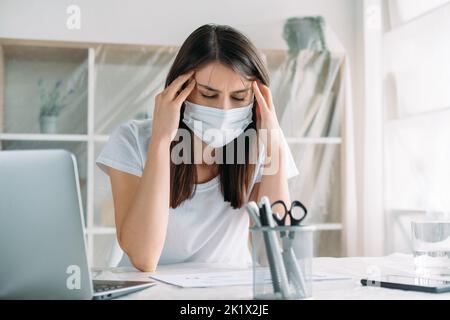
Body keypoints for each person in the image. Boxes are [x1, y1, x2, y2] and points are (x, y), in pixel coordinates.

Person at [96, 23, 299, 272]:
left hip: (227, 294)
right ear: (180, 89)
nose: (224, 110)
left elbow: (273, 253)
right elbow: (143, 258)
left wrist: (272, 144)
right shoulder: (132, 140)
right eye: (208, 95)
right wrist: (161, 140)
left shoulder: (265, 143)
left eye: (238, 97)